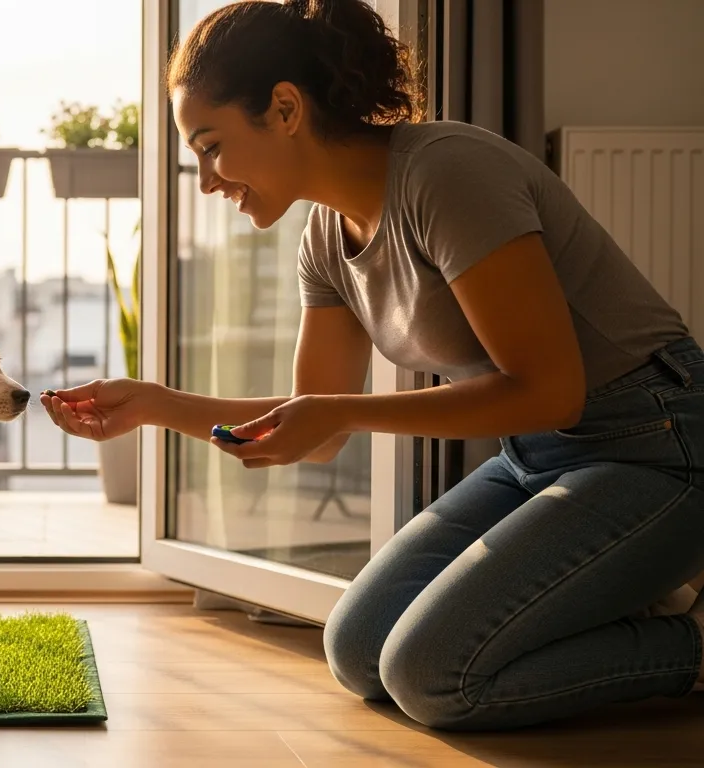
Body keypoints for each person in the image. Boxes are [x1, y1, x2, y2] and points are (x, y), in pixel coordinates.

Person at [41, 0, 704, 732]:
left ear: (285, 109)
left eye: (211, 145)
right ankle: (630, 582)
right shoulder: (325, 239)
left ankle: (691, 642)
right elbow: (315, 427)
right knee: (358, 649)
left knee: (434, 677)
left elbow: (550, 391)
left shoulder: (447, 174)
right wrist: (157, 405)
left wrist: (345, 412)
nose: (205, 180)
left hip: (658, 442)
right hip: (538, 457)